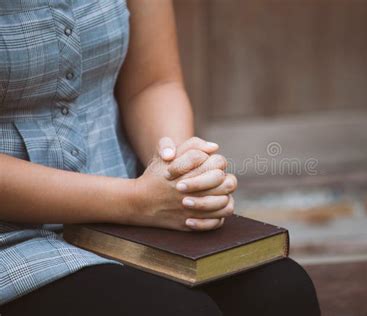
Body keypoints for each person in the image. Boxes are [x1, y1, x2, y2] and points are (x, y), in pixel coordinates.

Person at [0, 0, 320, 315]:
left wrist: (181, 173)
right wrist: (138, 201)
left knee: (282, 291)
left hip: (129, 213)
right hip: (13, 236)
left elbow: (153, 83)